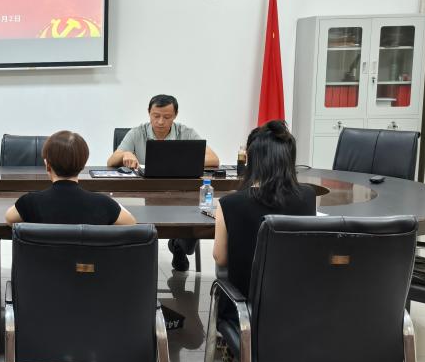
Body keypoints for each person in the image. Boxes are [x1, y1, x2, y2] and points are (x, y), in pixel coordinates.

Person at [108, 94, 220, 271]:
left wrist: (178, 160)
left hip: (181, 193)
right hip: (144, 194)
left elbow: (214, 159)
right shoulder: (137, 132)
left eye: (167, 117)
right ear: (149, 113)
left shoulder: (186, 132)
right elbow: (111, 161)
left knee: (197, 214)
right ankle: (141, 255)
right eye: (156, 116)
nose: (160, 121)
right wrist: (125, 154)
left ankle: (179, 246)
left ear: (175, 115)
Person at [212, 120, 316, 303]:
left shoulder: (229, 203)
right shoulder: (308, 196)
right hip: (296, 305)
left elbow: (220, 259)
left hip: (244, 306)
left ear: (252, 160)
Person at [5, 131, 136, 226]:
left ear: (47, 166)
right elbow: (131, 223)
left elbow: (9, 218)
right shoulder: (104, 204)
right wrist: (114, 204)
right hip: (85, 258)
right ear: (83, 165)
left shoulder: (29, 203)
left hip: (45, 258)